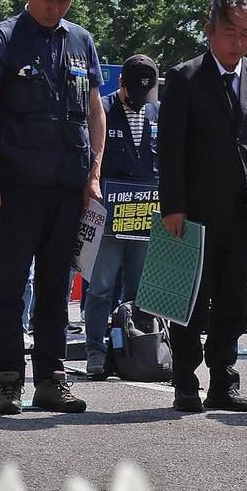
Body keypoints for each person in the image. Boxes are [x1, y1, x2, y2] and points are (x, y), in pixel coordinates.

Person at [0, 0, 102, 415]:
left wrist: (95, 173)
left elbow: (94, 112)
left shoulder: (81, 41)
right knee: (9, 286)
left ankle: (51, 379)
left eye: (65, 0)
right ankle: (8, 379)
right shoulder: (2, 40)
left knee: (55, 286)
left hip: (68, 185)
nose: (56, 7)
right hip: (16, 185)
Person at [157, 0, 247, 414]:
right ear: (210, 30)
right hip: (192, 209)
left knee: (233, 299)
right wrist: (172, 205)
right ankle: (184, 381)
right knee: (189, 298)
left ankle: (223, 381)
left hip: (244, 208)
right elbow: (169, 148)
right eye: (230, 32)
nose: (238, 42)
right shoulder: (185, 77)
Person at [85, 53, 160, 379]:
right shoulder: (101, 109)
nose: (139, 101)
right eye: (134, 93)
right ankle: (96, 352)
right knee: (101, 288)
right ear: (120, 84)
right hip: (110, 218)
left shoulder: (157, 112)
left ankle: (136, 350)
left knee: (139, 291)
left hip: (145, 219)